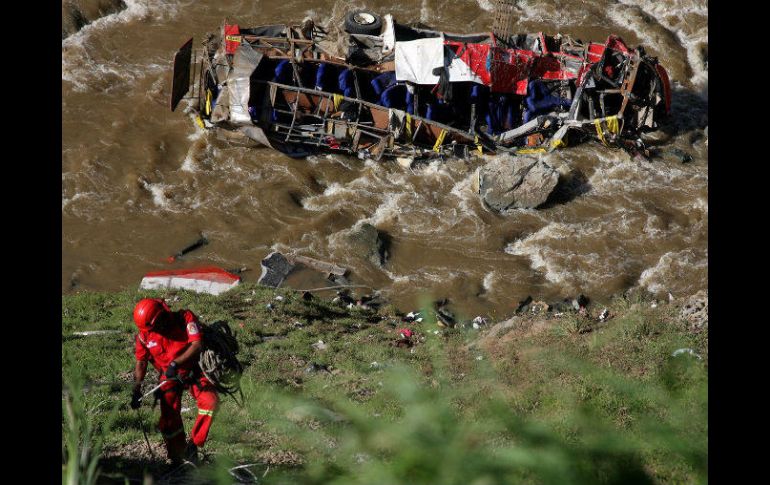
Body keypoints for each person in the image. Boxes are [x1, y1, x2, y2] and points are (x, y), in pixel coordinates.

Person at [129, 298, 218, 464]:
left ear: (162, 315)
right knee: (169, 420)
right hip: (169, 377)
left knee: (210, 402)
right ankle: (177, 456)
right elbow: (141, 363)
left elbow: (197, 344)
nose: (157, 329)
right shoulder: (144, 336)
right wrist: (136, 390)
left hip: (195, 371)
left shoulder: (185, 318)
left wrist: (175, 363)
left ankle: (194, 445)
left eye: (157, 325)